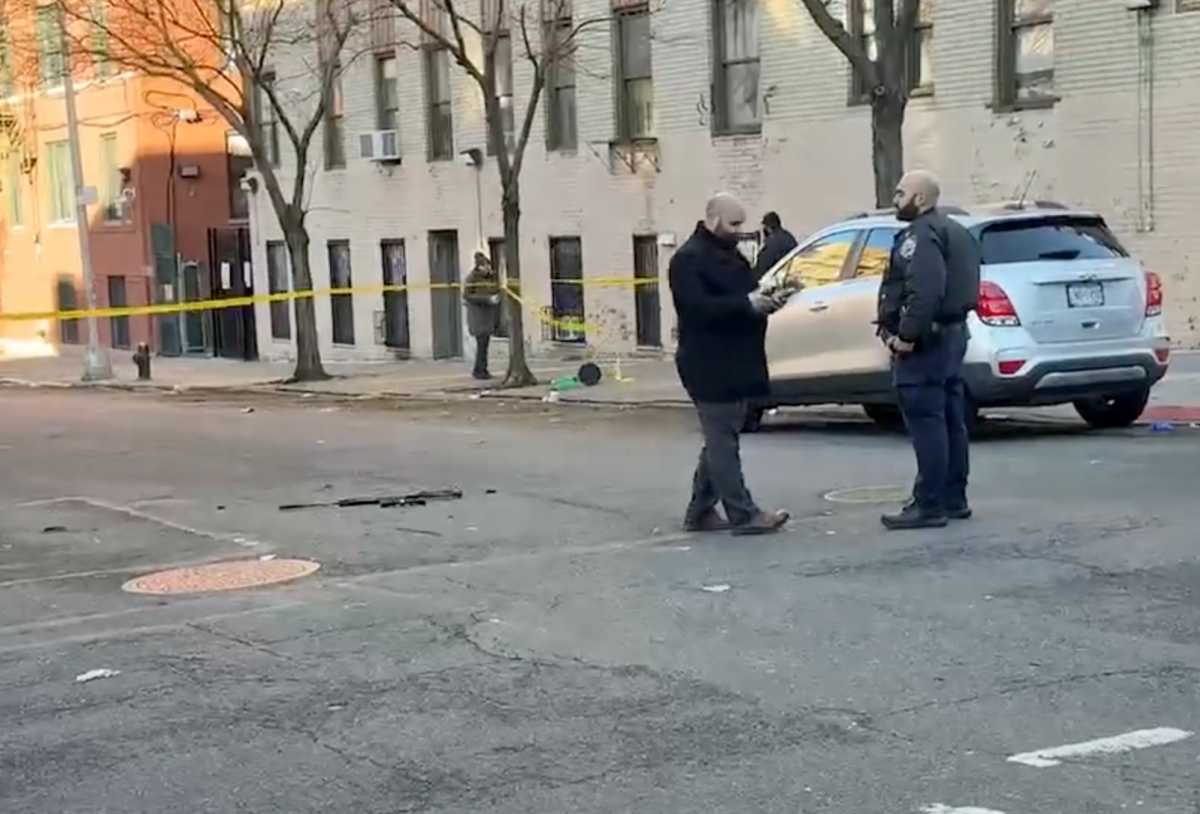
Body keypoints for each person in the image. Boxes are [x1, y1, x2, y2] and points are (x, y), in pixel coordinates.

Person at [669, 193, 791, 536]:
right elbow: (696, 309)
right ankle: (743, 513)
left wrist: (767, 300)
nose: (740, 231)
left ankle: (700, 511)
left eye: (742, 224)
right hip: (708, 362)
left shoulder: (728, 254)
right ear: (712, 220)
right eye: (733, 224)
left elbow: (745, 296)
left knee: (721, 438)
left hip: (737, 360)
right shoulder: (688, 259)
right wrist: (747, 303)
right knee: (723, 440)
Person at [877, 170, 981, 530]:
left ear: (920, 199)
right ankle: (954, 497)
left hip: (928, 343)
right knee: (951, 419)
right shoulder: (958, 231)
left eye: (900, 192)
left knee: (927, 421)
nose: (895, 198)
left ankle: (929, 503)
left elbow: (925, 289)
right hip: (953, 337)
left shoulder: (921, 235)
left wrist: (906, 334)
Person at [463, 252, 501, 380]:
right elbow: (467, 296)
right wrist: (487, 299)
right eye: (485, 266)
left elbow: (497, 288)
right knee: (482, 344)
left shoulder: (491, 277)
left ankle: (481, 369)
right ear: (479, 267)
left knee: (484, 345)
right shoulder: (472, 278)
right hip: (478, 316)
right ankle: (480, 370)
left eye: (488, 266)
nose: (488, 268)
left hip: (488, 315)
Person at [753, 211, 798, 282]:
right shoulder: (788, 236)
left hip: (777, 280)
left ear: (768, 228)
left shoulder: (772, 241)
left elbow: (763, 266)